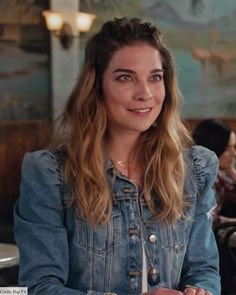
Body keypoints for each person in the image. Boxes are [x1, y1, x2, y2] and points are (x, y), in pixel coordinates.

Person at [14, 17, 220, 295]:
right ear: (96, 86)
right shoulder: (51, 173)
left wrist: (200, 290)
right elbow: (37, 288)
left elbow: (204, 270)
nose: (145, 93)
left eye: (155, 77)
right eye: (126, 77)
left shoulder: (195, 169)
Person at [193, 118, 236, 221]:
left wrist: (231, 172)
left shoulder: (221, 173)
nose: (234, 153)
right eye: (227, 149)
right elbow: (208, 219)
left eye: (234, 147)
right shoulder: (203, 177)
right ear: (214, 147)